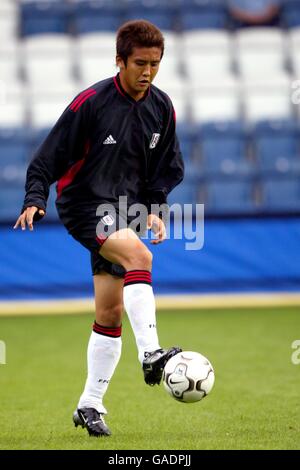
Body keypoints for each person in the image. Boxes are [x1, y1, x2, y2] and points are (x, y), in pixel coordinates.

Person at [14, 20, 184, 437]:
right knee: (140, 256)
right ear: (119, 61)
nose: (148, 72)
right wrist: (35, 199)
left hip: (124, 212)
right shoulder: (90, 103)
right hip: (84, 205)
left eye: (155, 64)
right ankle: (151, 356)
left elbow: (164, 171)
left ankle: (89, 405)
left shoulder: (162, 108)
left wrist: (156, 209)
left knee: (109, 313)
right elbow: (44, 160)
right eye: (140, 63)